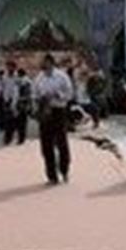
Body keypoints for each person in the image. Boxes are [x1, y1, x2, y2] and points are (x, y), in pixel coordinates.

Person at [33, 54, 73, 184]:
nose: (45, 65)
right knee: (46, 145)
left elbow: (69, 94)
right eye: (43, 63)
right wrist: (40, 99)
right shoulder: (39, 78)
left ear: (52, 63)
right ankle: (51, 176)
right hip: (45, 112)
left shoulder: (62, 76)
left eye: (47, 63)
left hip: (58, 111)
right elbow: (34, 94)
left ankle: (64, 170)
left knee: (61, 142)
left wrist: (57, 94)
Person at [13, 68, 33, 144]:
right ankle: (21, 137)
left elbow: (26, 94)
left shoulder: (24, 82)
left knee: (21, 121)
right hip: (23, 104)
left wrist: (20, 101)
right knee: (22, 122)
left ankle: (21, 138)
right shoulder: (26, 82)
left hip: (22, 104)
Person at [2, 61, 19, 145]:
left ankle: (11, 136)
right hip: (7, 99)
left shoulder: (17, 77)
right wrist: (5, 99)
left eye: (10, 67)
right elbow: (4, 88)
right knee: (7, 119)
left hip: (15, 99)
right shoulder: (5, 77)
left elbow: (16, 90)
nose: (9, 68)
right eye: (8, 67)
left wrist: (14, 102)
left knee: (13, 119)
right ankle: (7, 137)